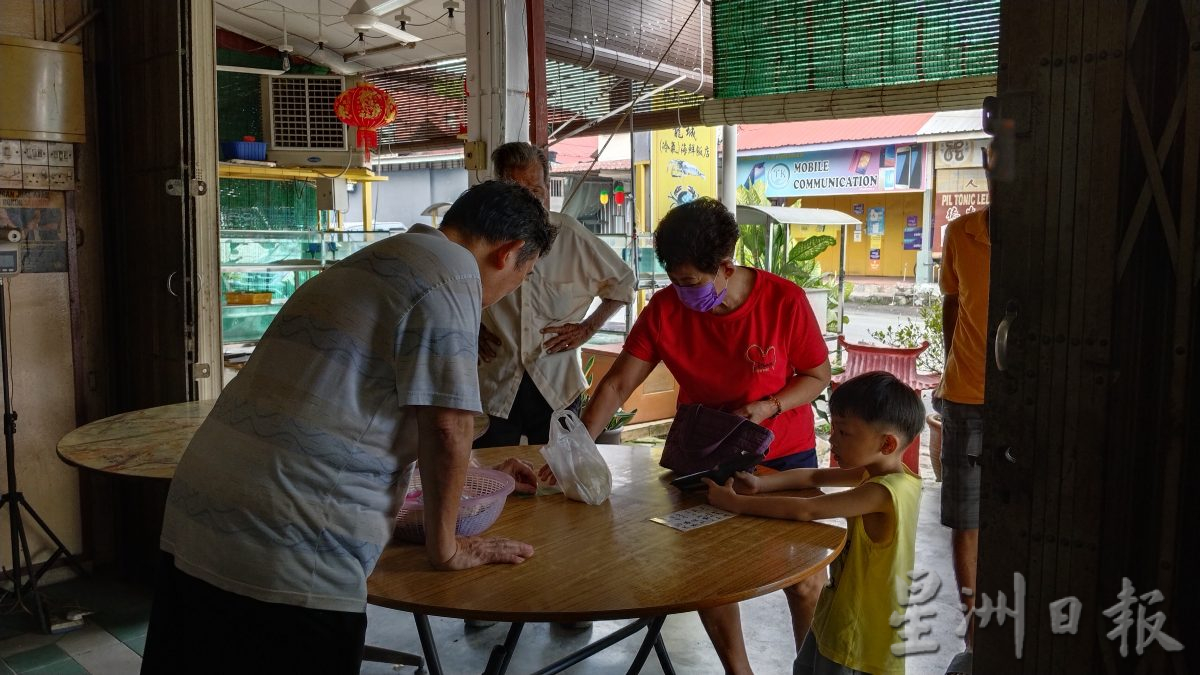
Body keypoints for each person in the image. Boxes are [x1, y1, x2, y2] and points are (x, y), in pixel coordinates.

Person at [141, 180, 557, 674]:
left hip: (201, 516)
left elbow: (356, 414)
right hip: (292, 543)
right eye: (525, 275)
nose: (511, 292)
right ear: (508, 253)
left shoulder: (383, 257)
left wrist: (474, 475)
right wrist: (446, 549)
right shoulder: (454, 274)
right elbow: (447, 427)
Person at [580, 197, 831, 674]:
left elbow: (817, 376)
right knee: (709, 576)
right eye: (673, 280)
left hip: (784, 456)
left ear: (725, 267)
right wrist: (575, 451)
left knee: (803, 580)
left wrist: (768, 405)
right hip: (705, 457)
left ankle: (813, 670)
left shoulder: (783, 301)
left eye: (691, 282)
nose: (680, 292)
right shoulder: (665, 310)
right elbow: (615, 386)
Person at [703, 371, 925, 675]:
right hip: (835, 616)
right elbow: (813, 475)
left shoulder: (882, 492)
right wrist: (760, 484)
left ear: (886, 444)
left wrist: (735, 503)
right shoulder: (883, 474)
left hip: (856, 636)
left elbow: (806, 509)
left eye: (844, 432)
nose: (832, 439)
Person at [475, 141, 635, 448]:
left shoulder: (570, 235)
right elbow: (457, 287)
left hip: (556, 383)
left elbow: (623, 283)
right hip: (496, 381)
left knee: (559, 468)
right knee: (492, 469)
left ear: (547, 189)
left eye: (535, 191)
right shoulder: (482, 236)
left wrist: (588, 328)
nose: (528, 202)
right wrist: (472, 327)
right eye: (516, 191)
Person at [937, 141, 993, 675]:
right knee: (967, 518)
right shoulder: (962, 232)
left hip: (1028, 403)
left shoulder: (1048, 232)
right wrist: (953, 368)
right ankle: (976, 637)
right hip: (967, 396)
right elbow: (952, 305)